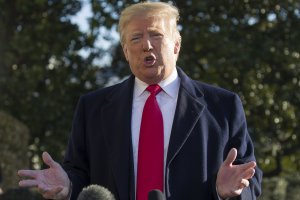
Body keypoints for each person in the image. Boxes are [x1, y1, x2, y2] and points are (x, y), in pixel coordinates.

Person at [18, 2, 262, 200]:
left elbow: (250, 178)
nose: (146, 45)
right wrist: (69, 187)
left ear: (176, 45)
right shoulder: (92, 107)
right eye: (135, 39)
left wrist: (229, 193)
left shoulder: (223, 106)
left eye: (156, 35)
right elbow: (81, 176)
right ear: (125, 52)